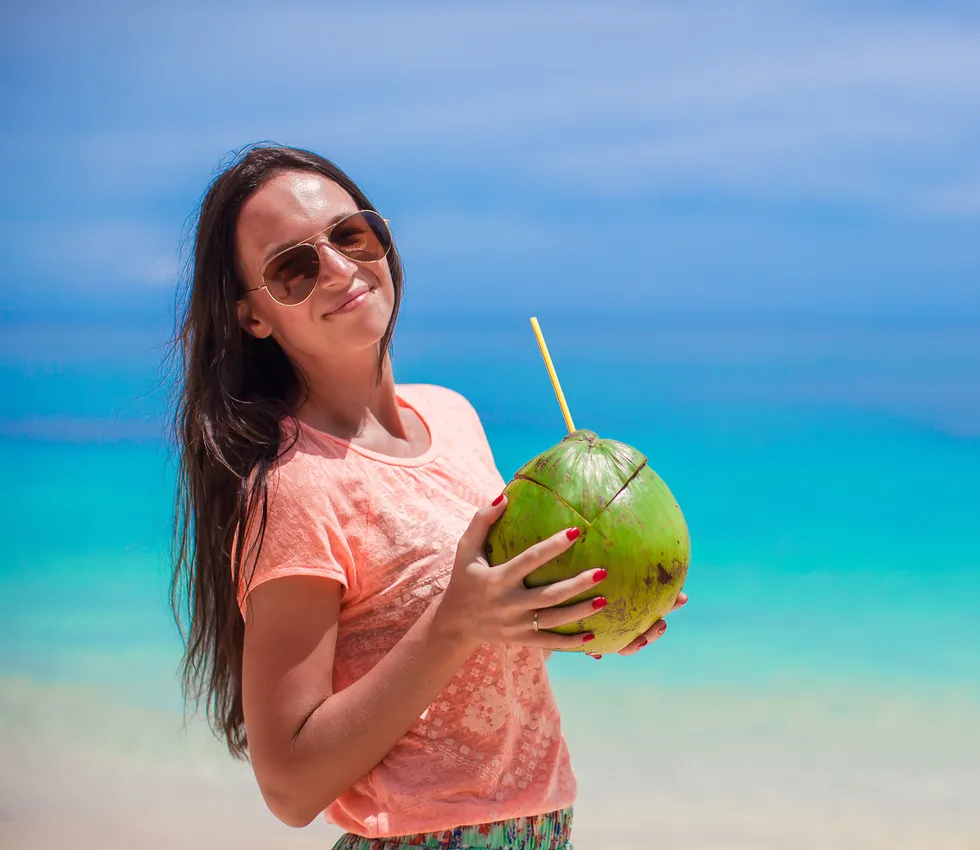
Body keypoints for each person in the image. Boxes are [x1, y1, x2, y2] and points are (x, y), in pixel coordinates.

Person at [169, 142, 685, 850]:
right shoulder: (294, 486)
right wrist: (455, 623)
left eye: (352, 235)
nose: (340, 270)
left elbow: (475, 638)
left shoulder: (452, 415)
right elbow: (289, 785)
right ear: (253, 317)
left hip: (543, 827)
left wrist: (588, 617)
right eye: (292, 267)